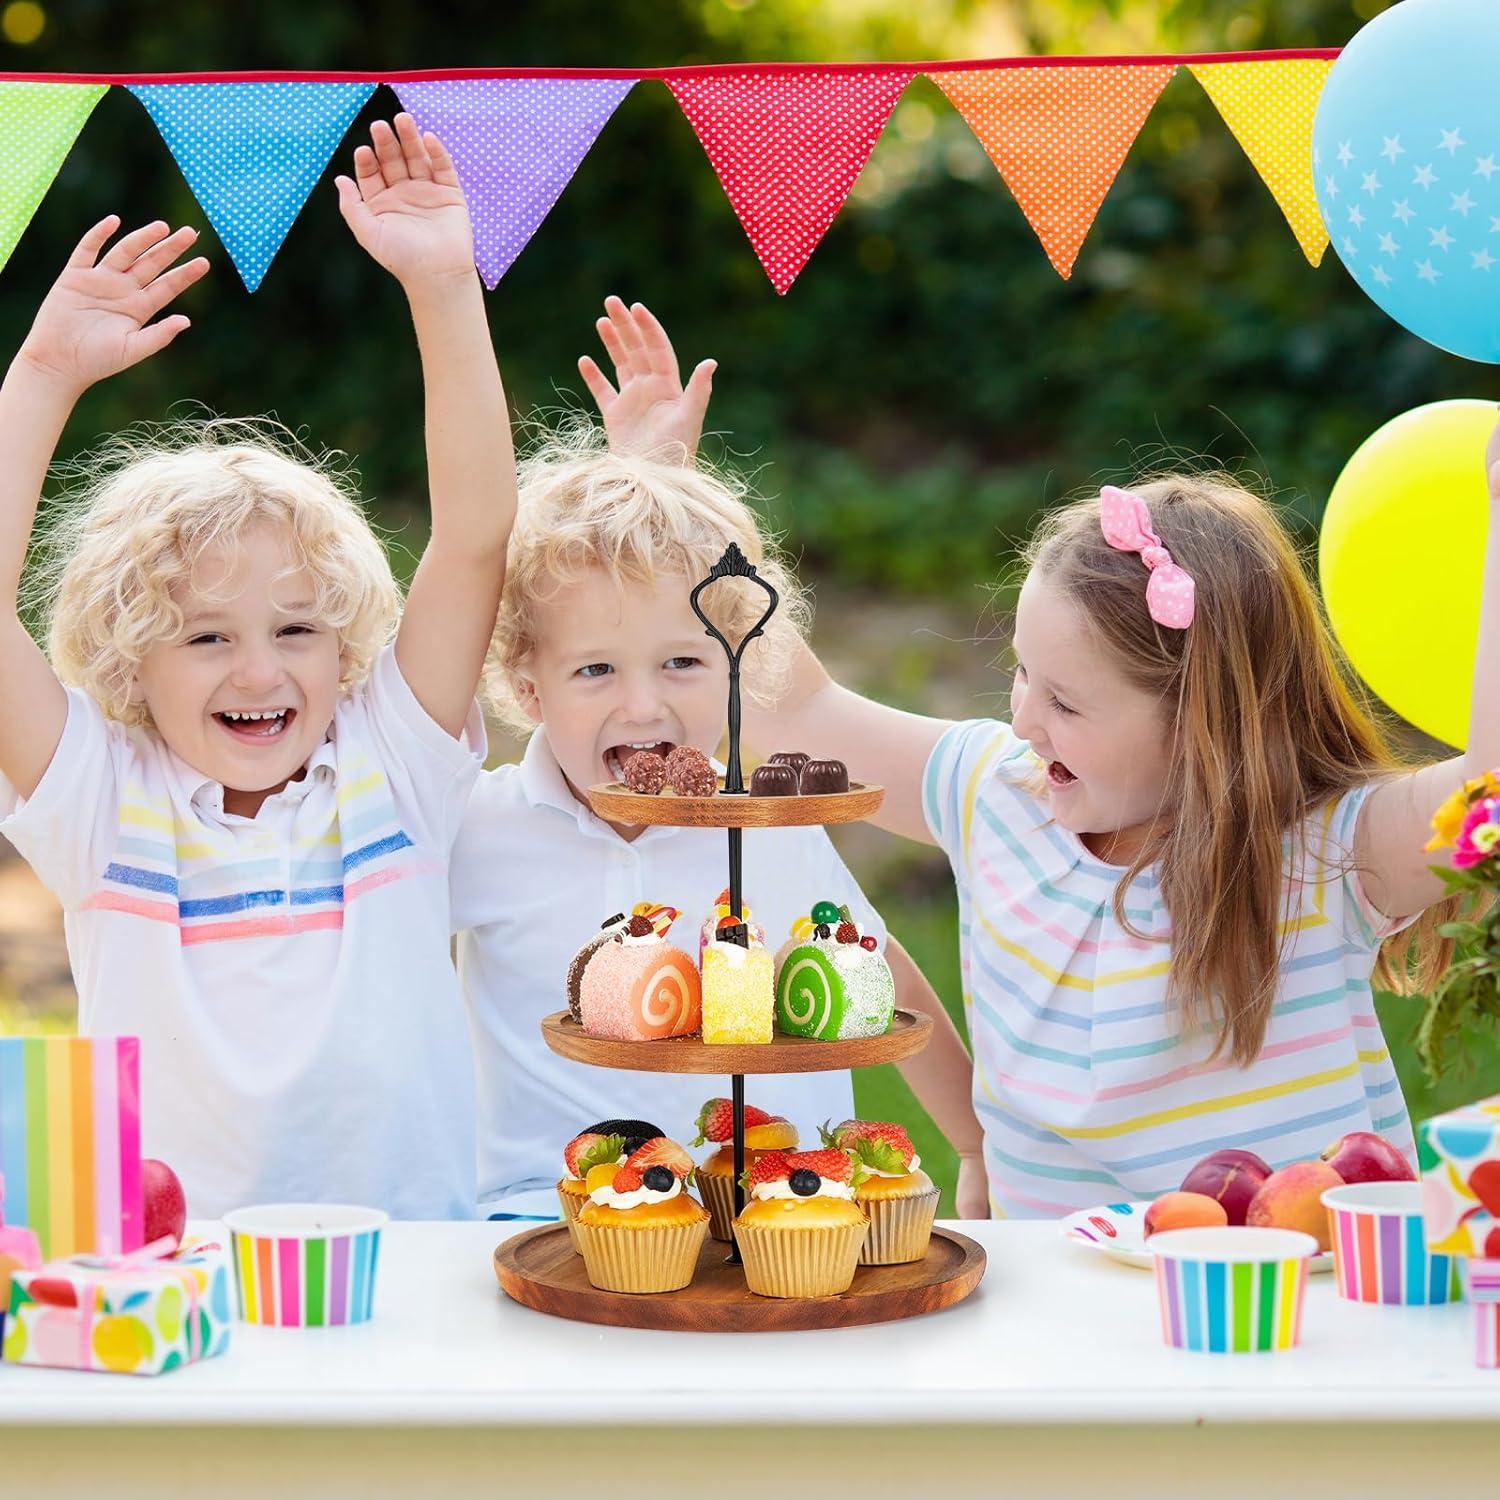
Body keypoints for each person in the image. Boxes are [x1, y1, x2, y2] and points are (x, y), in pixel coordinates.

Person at [743, 450, 1500, 1218]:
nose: (1024, 720)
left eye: (1066, 704)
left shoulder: (1324, 852)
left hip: (1289, 1289)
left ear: (1201, 721)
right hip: (1056, 1291)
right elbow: (793, 713)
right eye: (1022, 673)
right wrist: (683, 508)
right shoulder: (996, 794)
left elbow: (1490, 793)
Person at [0, 116, 515, 1219]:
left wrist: (442, 286)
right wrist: (41, 376)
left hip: (409, 1274)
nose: (258, 673)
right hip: (171, 1287)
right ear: (131, 658)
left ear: (343, 640)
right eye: (206, 637)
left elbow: (475, 535)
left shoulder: (393, 763)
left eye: (295, 630)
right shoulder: (100, 800)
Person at [449, 299, 984, 1220]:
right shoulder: (481, 829)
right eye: (595, 670)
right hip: (543, 1215)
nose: (644, 705)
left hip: (782, 1214)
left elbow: (878, 972)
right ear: (527, 688)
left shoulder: (766, 824)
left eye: (684, 664)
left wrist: (975, 1142)